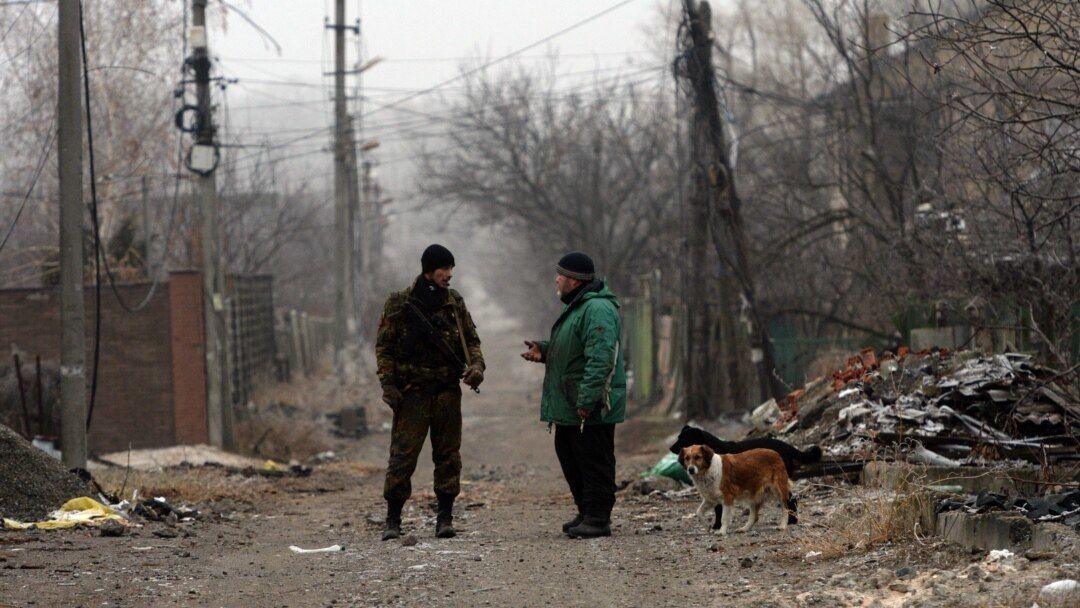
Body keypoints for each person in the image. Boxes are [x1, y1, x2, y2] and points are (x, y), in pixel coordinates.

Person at [376, 244, 485, 540]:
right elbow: (384, 347)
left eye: (451, 269)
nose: (449, 275)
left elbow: (472, 340)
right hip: (412, 392)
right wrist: (388, 384)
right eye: (444, 269)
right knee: (403, 456)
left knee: (448, 455)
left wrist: (476, 367)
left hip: (447, 391)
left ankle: (445, 517)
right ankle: (393, 520)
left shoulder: (453, 302)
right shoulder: (400, 303)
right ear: (429, 269)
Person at [521, 252, 626, 538]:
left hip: (589, 404)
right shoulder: (579, 307)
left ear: (574, 280)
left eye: (560, 275)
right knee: (570, 455)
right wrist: (546, 349)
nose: (556, 279)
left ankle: (598, 517)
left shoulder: (597, 309)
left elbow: (601, 357)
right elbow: (575, 349)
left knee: (594, 460)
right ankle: (586, 511)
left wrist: (588, 399)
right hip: (571, 403)